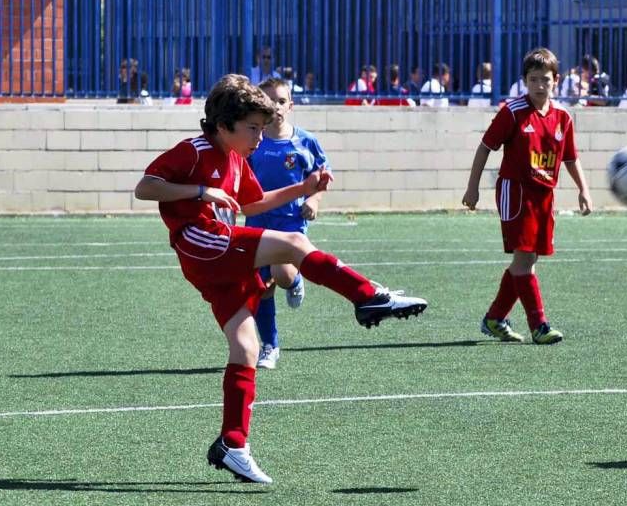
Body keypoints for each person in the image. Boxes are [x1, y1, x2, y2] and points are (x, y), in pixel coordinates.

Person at [133, 74, 427, 484]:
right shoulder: (196, 150)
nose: (260, 134)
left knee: (247, 346)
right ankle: (366, 296)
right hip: (203, 242)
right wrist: (202, 192)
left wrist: (303, 187)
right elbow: (145, 188)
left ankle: (233, 444)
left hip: (214, 262)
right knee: (291, 242)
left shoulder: (237, 158)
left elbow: (253, 201)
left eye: (262, 126)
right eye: (252, 127)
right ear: (223, 125)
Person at [461, 48, 592, 345]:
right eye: (533, 80)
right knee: (524, 261)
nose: (539, 86)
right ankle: (539, 325)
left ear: (556, 81)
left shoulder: (562, 117)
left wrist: (583, 189)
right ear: (524, 81)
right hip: (516, 192)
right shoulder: (512, 111)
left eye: (545, 79)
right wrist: (473, 187)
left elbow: (570, 158)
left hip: (544, 195)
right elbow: (485, 147)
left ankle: (495, 318)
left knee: (527, 261)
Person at [244, 77, 327, 370]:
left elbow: (323, 176)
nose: (275, 106)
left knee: (280, 273)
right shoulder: (252, 143)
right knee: (261, 288)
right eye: (269, 101)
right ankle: (270, 345)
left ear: (290, 105)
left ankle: (294, 279)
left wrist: (313, 201)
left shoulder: (305, 141)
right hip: (256, 222)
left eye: (281, 101)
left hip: (291, 224)